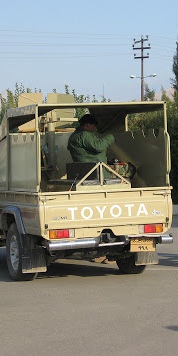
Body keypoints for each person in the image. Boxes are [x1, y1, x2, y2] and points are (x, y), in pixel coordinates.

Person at [68, 113, 115, 264]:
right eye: (93, 126)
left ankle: (102, 253)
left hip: (87, 175)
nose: (94, 129)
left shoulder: (75, 136)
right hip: (97, 175)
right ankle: (104, 253)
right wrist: (110, 137)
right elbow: (98, 146)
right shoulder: (84, 135)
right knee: (107, 215)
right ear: (87, 125)